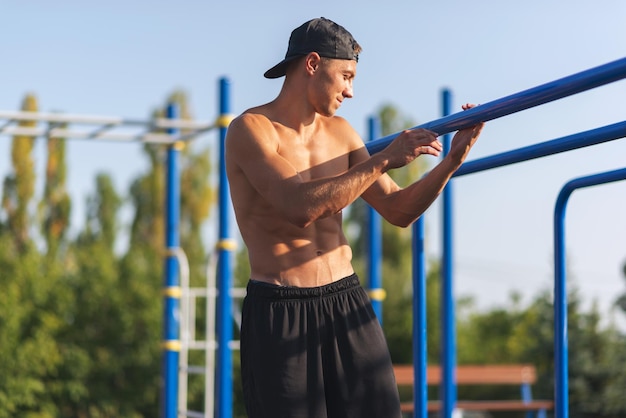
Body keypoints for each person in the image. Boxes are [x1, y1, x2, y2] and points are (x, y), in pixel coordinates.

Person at [225, 17, 484, 418]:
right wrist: (383, 160)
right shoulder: (251, 130)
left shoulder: (343, 133)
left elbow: (398, 211)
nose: (350, 90)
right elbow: (299, 207)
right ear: (312, 64)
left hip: (346, 302)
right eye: (345, 75)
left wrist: (452, 161)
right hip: (280, 310)